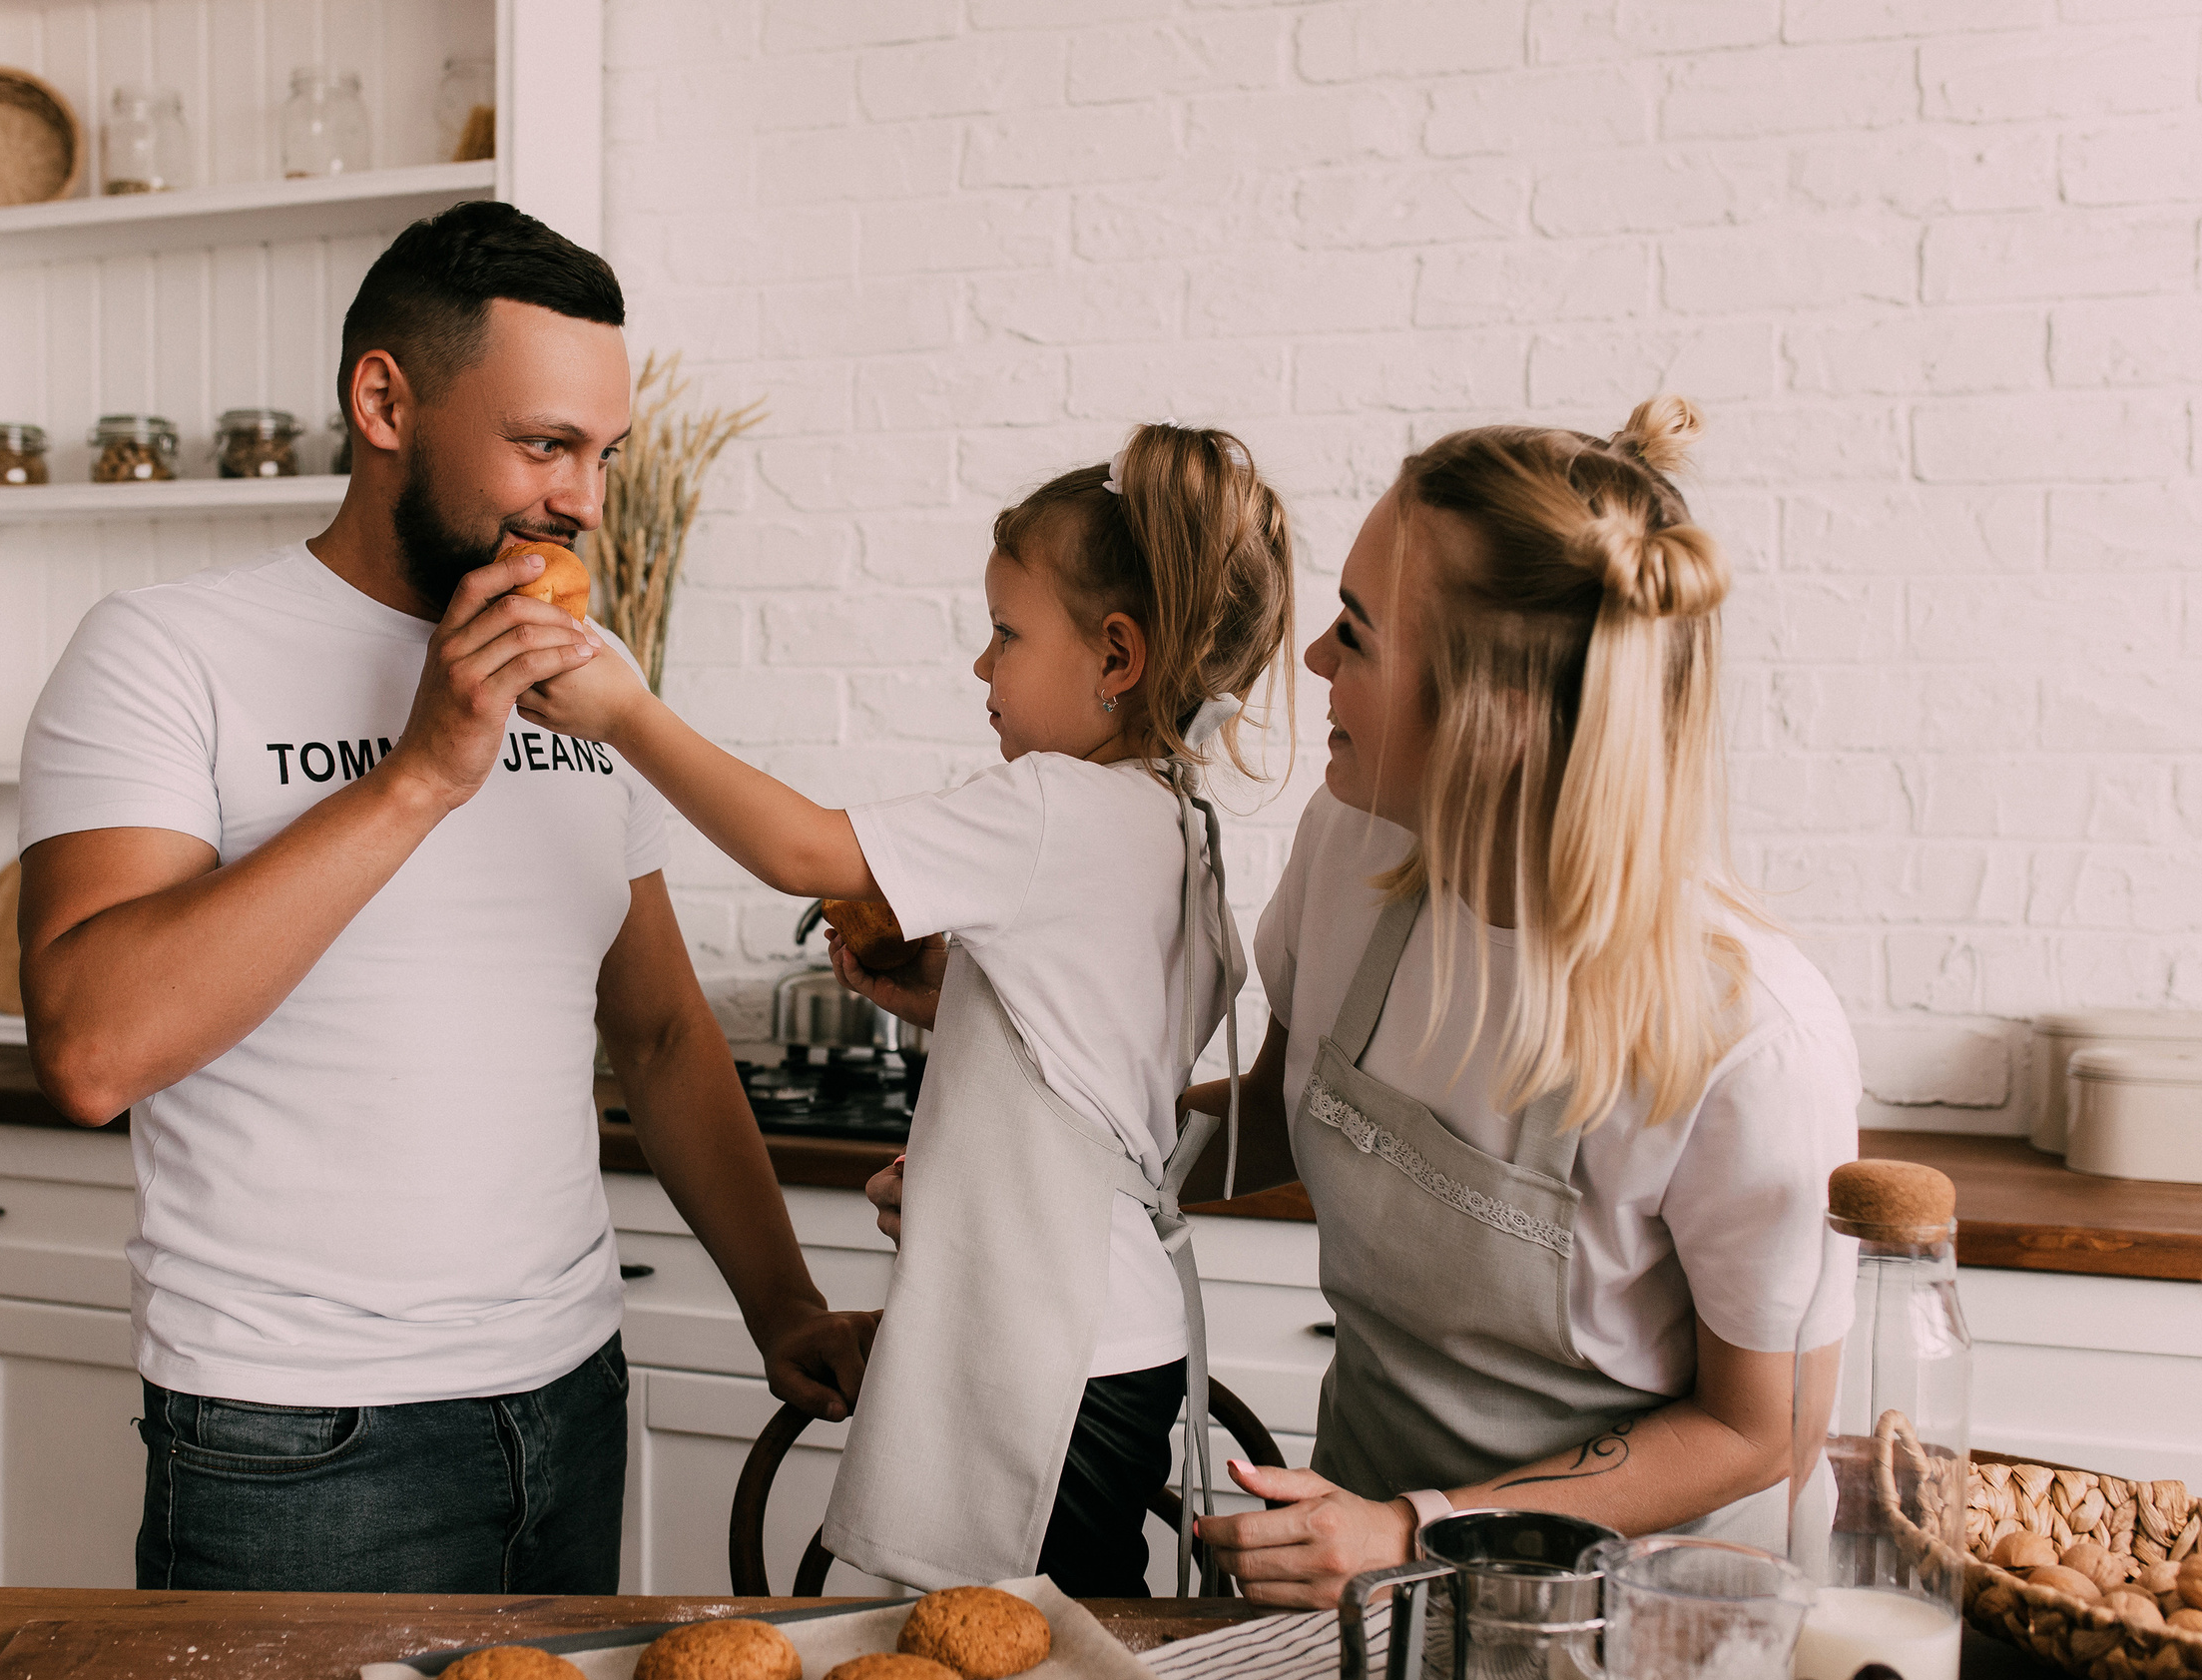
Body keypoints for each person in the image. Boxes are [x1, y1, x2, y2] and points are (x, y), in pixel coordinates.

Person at [15, 200, 871, 1595]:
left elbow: (656, 1033)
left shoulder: (584, 678)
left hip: (572, 1400)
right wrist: (419, 773)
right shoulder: (165, 651)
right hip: (298, 1438)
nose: (585, 499)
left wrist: (780, 1302)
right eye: (545, 444)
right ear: (384, 400)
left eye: (605, 454)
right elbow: (92, 1049)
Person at [519, 422, 1294, 1594]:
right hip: (1110, 1330)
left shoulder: (1052, 805)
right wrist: (953, 1000)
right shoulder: (1174, 820)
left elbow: (804, 850)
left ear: (1117, 657)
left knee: (1033, 1651)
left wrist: (630, 716)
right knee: (1067, 1618)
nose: (982, 669)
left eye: (1005, 634)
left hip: (1051, 1339)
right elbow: (1096, 1048)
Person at [1186, 397, 1861, 1606]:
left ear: (1491, 716)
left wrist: (1419, 1532)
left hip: (1624, 1623)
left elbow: (1763, 1430)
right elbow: (1280, 1115)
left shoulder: (1752, 1040)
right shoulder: (1348, 846)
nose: (1313, 662)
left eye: (1356, 630)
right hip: (1355, 1583)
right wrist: (1057, 1163)